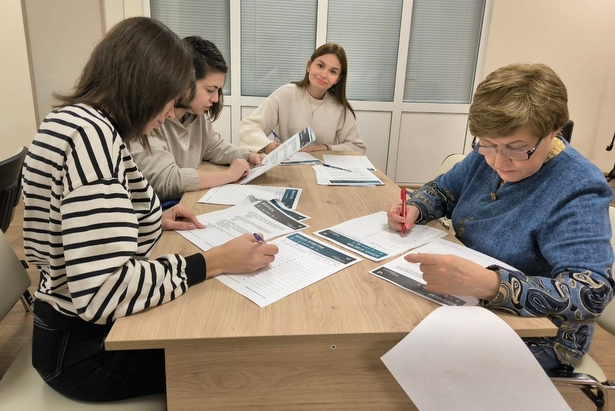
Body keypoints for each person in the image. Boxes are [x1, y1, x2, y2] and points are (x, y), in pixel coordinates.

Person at [21, 17, 278, 402]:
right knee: (236, 358)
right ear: (145, 86)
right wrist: (214, 262)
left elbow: (74, 228)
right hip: (86, 352)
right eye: (170, 99)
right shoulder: (93, 142)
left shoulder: (76, 121)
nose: (171, 114)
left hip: (65, 324)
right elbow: (103, 292)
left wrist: (152, 219)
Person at [387, 63, 614, 373]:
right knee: (389, 319)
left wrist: (492, 284)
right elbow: (442, 191)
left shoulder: (578, 187)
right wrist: (415, 208)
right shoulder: (488, 154)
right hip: (466, 299)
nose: (498, 161)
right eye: (488, 144)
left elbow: (591, 294)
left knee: (416, 355)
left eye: (516, 149)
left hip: (541, 332)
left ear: (554, 131)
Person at [130, 37, 263, 202]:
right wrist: (229, 175)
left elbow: (214, 147)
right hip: (161, 208)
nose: (215, 99)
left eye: (218, 90)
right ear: (183, 82)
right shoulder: (150, 120)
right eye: (210, 90)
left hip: (186, 200)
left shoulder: (196, 115)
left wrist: (247, 156)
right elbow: (167, 179)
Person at [239, 42, 366, 155]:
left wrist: (325, 147)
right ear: (309, 65)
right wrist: (269, 146)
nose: (324, 74)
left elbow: (357, 147)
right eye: (320, 66)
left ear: (338, 79)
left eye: (333, 72)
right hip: (286, 166)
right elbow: (249, 127)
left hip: (323, 168)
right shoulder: (286, 94)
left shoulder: (339, 107)